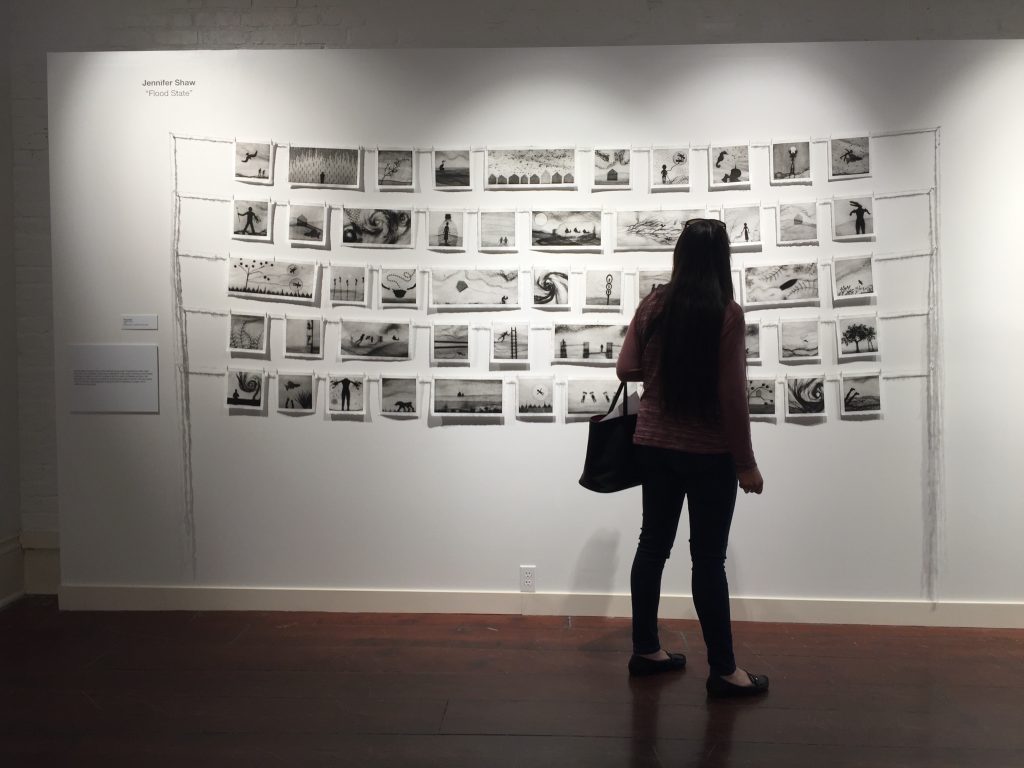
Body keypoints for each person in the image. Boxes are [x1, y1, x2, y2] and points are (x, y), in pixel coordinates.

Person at [616, 218, 769, 698]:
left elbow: (626, 368)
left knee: (652, 547)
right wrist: (746, 463)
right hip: (708, 454)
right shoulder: (725, 312)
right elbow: (732, 395)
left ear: (680, 255)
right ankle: (723, 671)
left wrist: (663, 367)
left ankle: (646, 650)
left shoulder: (655, 303)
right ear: (722, 260)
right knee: (707, 559)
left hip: (655, 447)